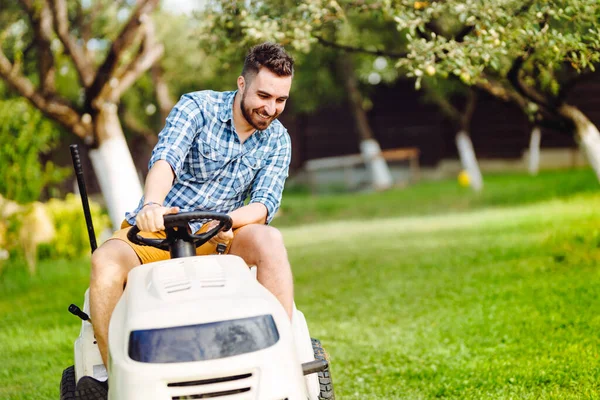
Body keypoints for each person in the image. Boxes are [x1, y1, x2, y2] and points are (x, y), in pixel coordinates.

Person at [90, 42, 295, 368]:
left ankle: (282, 362)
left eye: (280, 100)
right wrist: (153, 205)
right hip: (161, 231)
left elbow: (264, 204)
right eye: (263, 96)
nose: (271, 108)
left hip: (221, 237)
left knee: (269, 239)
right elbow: (166, 160)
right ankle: (116, 375)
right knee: (105, 262)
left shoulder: (278, 139)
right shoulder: (197, 108)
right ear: (242, 84)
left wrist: (225, 222)